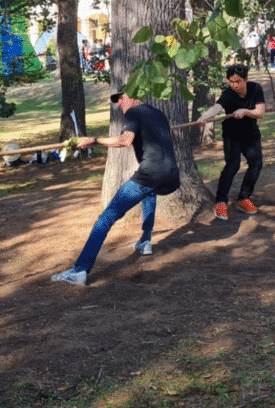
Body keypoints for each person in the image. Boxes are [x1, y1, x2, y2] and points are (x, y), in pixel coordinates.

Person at [51, 89, 181, 286]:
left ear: (133, 97)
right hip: (171, 175)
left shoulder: (133, 112)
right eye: (118, 101)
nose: (120, 103)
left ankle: (79, 270)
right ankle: (145, 241)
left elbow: (124, 141)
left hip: (150, 174)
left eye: (122, 98)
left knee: (105, 219)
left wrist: (93, 141)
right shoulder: (157, 113)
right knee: (149, 193)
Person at [198, 64, 266, 220]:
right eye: (231, 81)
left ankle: (243, 198)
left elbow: (260, 112)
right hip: (232, 136)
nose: (235, 85)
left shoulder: (255, 89)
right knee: (232, 165)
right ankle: (220, 201)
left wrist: (245, 111)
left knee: (256, 163)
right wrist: (204, 117)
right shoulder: (228, 94)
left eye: (238, 81)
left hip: (251, 134)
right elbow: (216, 107)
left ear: (246, 79)